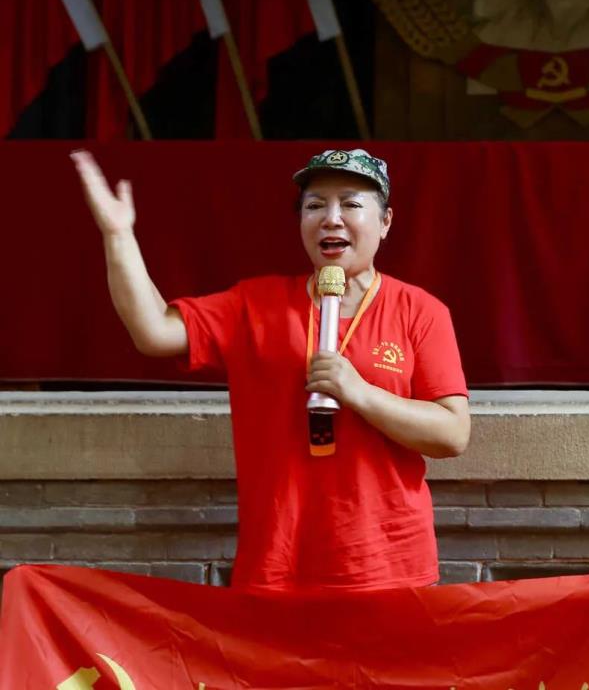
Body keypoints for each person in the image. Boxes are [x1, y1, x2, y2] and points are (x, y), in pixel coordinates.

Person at [71, 147, 470, 592]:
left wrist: (359, 392)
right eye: (315, 206)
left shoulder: (421, 312)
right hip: (278, 564)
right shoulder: (255, 305)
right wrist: (118, 235)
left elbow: (453, 434)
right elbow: (154, 332)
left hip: (389, 565)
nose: (331, 218)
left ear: (386, 222)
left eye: (350, 204)